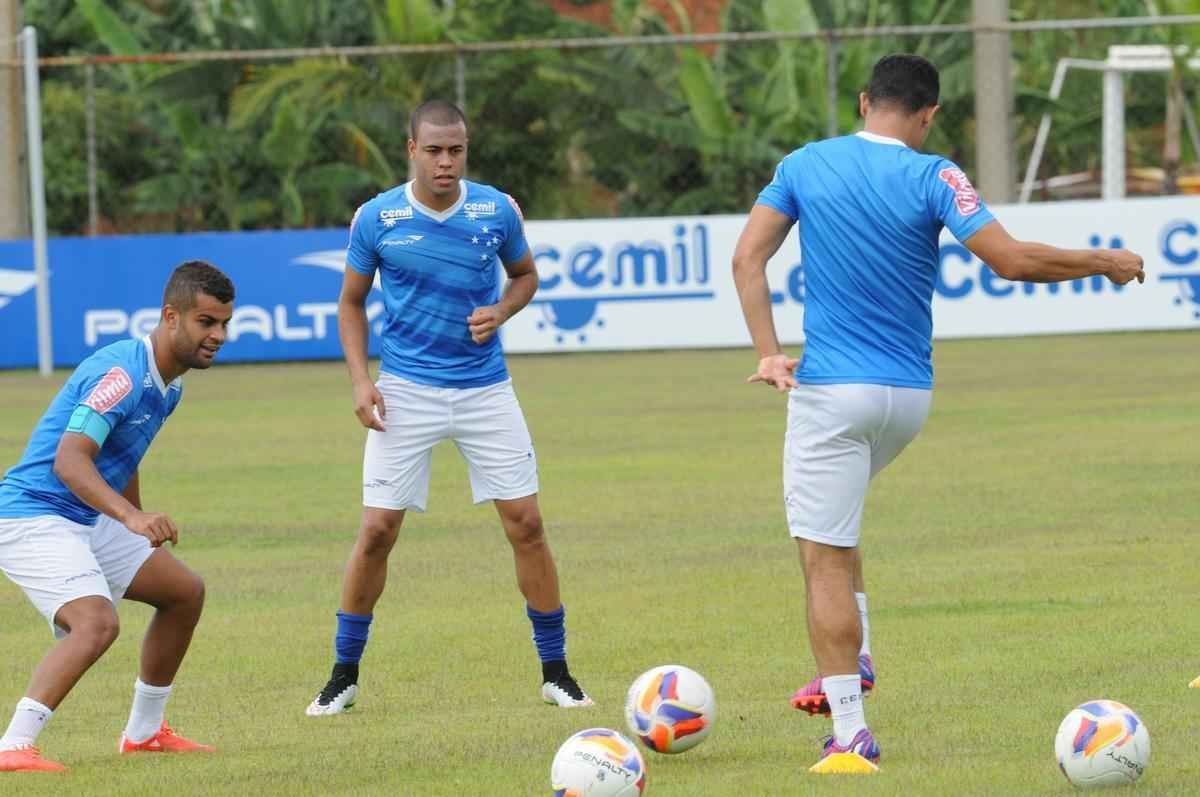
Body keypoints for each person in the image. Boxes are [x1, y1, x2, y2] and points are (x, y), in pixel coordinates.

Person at [731, 54, 1145, 770]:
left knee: (821, 553)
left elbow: (747, 258)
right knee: (836, 521)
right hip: (908, 398)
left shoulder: (803, 163)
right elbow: (1011, 260)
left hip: (832, 390)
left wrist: (770, 352)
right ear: (928, 114)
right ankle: (854, 658)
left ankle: (851, 730)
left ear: (864, 102)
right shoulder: (936, 174)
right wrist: (1100, 259)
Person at [305, 100, 591, 716]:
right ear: (411, 149)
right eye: (433, 150)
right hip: (404, 390)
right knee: (378, 531)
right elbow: (351, 304)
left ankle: (557, 671)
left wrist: (504, 309)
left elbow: (525, 276)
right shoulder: (376, 218)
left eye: (455, 150)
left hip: (486, 389)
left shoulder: (496, 209)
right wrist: (361, 381)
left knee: (528, 525)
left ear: (466, 149)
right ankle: (342, 675)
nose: (445, 162)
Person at [0, 261, 235, 773]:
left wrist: (137, 517)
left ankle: (145, 734)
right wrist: (130, 517)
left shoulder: (171, 384)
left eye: (224, 324)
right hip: (32, 515)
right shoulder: (123, 375)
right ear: (171, 316)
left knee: (183, 593)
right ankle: (13, 745)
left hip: (85, 515)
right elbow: (69, 460)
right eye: (206, 322)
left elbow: (123, 456)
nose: (218, 335)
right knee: (96, 623)